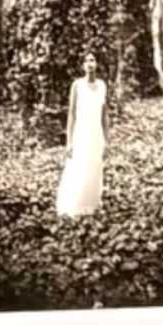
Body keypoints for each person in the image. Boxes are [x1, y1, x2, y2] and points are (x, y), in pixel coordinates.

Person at [54, 69, 108, 221]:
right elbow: (71, 113)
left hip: (96, 133)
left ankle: (92, 204)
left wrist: (106, 139)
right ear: (83, 65)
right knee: (79, 166)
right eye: (87, 60)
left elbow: (104, 114)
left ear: (97, 64)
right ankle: (75, 206)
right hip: (81, 132)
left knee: (95, 167)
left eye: (93, 60)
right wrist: (69, 141)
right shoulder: (77, 85)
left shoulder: (102, 85)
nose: (90, 64)